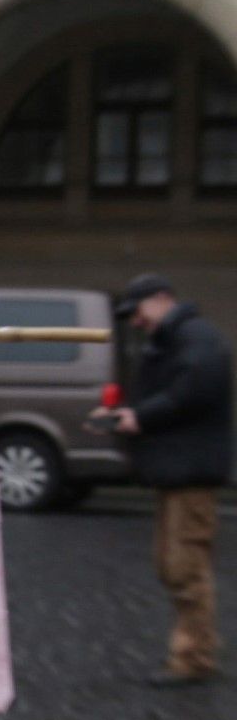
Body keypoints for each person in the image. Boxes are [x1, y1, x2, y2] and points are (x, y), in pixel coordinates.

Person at [105, 274, 232, 686]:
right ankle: (193, 651)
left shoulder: (194, 337)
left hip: (189, 473)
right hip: (179, 471)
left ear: (162, 299)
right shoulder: (187, 337)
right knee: (174, 564)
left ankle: (195, 656)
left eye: (138, 312)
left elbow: (194, 389)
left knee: (185, 566)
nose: (136, 322)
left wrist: (140, 417)